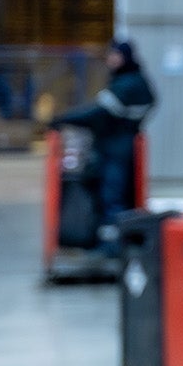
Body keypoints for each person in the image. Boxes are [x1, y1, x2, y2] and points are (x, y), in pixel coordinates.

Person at [55, 38, 155, 254]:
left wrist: (63, 119)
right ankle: (115, 243)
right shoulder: (129, 81)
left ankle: (112, 246)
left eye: (115, 55)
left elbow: (98, 112)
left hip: (116, 151)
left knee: (113, 198)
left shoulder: (128, 84)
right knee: (114, 196)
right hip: (115, 148)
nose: (110, 59)